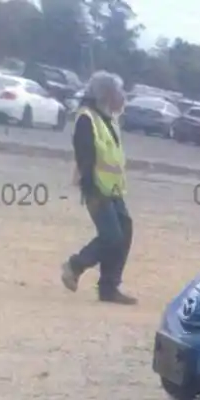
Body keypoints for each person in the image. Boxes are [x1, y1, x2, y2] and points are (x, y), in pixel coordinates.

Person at [60, 71, 137, 305]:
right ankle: (75, 265)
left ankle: (109, 288)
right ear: (105, 94)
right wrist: (90, 188)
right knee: (112, 236)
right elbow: (85, 155)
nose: (122, 97)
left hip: (113, 188)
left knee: (124, 231)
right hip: (96, 188)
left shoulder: (108, 118)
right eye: (117, 92)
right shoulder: (87, 118)